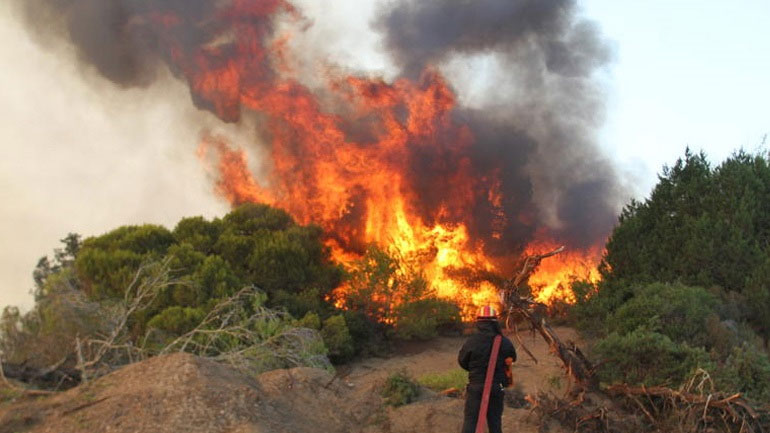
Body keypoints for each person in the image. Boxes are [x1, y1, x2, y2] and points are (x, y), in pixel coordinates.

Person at [458, 305, 516, 433]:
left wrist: (475, 370)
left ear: (478, 323)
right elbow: (512, 358)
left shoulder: (471, 342)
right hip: (496, 387)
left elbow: (462, 361)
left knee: (470, 422)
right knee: (495, 423)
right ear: (495, 323)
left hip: (475, 386)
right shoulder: (504, 342)